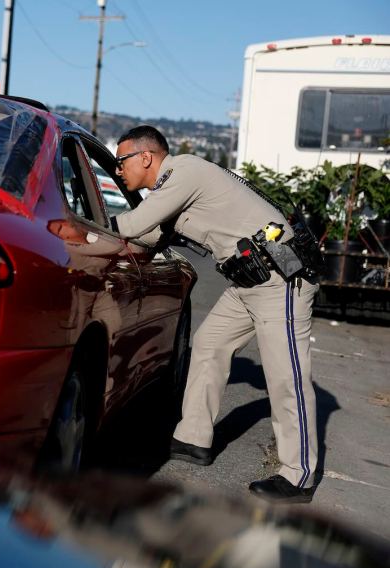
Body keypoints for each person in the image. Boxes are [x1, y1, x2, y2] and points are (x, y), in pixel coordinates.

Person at [109, 125, 319, 504]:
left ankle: (298, 474)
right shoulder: (171, 191)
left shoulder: (184, 172)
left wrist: (87, 228)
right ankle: (193, 439)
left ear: (146, 157)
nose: (118, 169)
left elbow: (135, 224)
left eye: (121, 161)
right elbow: (149, 236)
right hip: (248, 283)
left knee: (286, 375)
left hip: (280, 280)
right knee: (208, 344)